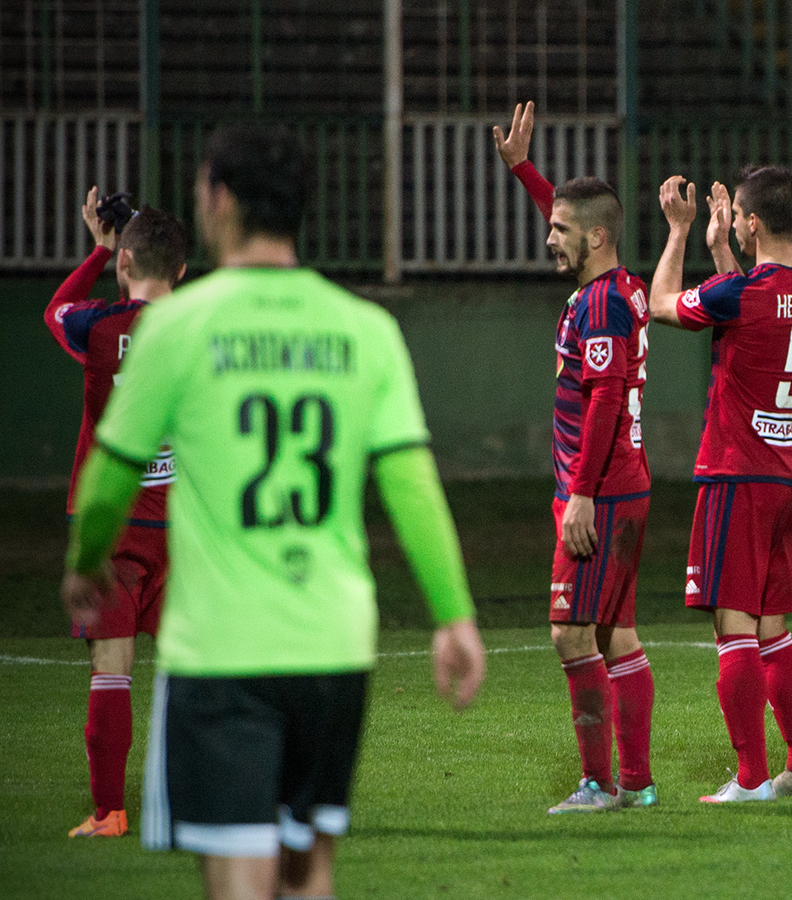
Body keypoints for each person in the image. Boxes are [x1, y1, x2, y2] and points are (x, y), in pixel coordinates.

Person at [59, 123, 487, 900]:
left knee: (238, 879)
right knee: (308, 872)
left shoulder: (175, 328)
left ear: (220, 200)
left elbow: (111, 475)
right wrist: (454, 615)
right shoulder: (365, 330)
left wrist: (86, 561)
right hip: (332, 643)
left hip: (220, 648)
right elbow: (411, 485)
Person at [650, 165, 792, 803]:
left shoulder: (740, 293)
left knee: (734, 630)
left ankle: (753, 778)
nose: (731, 222)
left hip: (737, 475)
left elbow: (661, 304)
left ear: (753, 223)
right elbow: (763, 307)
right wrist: (722, 253)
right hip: (791, 475)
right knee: (772, 632)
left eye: (736, 217)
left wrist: (679, 232)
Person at [494, 101, 657, 814]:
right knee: (616, 635)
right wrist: (524, 171)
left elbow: (605, 398)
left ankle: (599, 784)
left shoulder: (599, 306)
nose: (548, 236)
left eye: (559, 230)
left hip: (602, 490)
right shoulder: (620, 287)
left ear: (594, 238)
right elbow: (578, 219)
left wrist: (582, 494)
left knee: (570, 634)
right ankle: (637, 785)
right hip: (621, 484)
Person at [48, 189, 187, 839]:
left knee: (112, 669)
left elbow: (56, 311)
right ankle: (203, 803)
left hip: (111, 529)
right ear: (181, 270)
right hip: (181, 527)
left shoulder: (99, 327)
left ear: (126, 262)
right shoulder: (198, 335)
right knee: (196, 669)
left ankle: (110, 813)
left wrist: (99, 251)